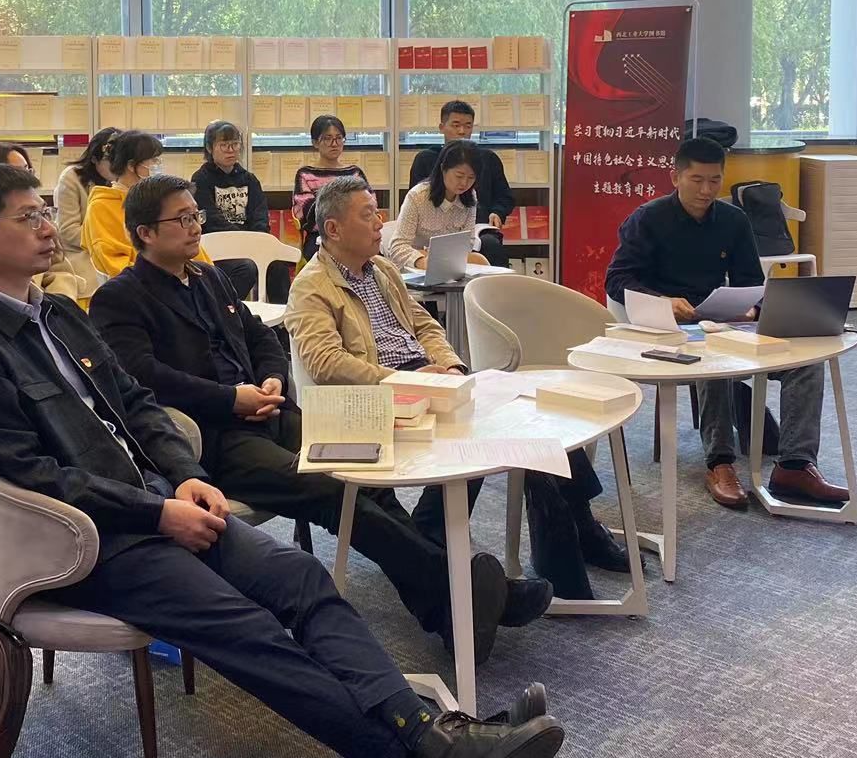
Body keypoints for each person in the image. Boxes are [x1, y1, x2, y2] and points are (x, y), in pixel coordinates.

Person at [0, 163, 564, 758]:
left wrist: (184, 475)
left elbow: (137, 405)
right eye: (29, 217)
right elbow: (39, 479)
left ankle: (435, 739)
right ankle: (433, 748)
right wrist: (157, 512)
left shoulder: (61, 314)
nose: (48, 227)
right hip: (91, 541)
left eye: (45, 212)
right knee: (249, 626)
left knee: (302, 577)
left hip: (161, 499)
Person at [90, 174, 551, 664]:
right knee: (333, 490)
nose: (194, 226)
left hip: (270, 411)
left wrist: (273, 379)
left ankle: (452, 605)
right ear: (145, 233)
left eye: (195, 215)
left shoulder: (209, 277)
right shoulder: (121, 298)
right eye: (181, 219)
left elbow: (261, 336)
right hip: (214, 437)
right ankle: (462, 597)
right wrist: (230, 399)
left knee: (368, 472)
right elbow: (144, 379)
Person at [287, 177, 628, 600]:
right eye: (368, 214)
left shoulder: (383, 270)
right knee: (489, 433)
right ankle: (555, 547)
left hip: (427, 378)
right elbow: (325, 362)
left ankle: (575, 528)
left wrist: (450, 366)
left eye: (377, 212)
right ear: (333, 229)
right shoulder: (311, 286)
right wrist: (409, 380)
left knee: (534, 418)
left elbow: (425, 325)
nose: (380, 223)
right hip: (381, 395)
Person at [604, 135, 847, 510]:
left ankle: (795, 465)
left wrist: (752, 308)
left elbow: (752, 281)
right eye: (696, 180)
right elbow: (617, 280)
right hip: (667, 328)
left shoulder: (733, 220)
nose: (706, 190)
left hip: (722, 321)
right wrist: (663, 301)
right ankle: (720, 463)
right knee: (711, 357)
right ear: (675, 177)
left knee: (807, 362)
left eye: (714, 180)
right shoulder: (648, 219)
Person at [85, 130, 256, 295]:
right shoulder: (102, 206)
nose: (157, 165)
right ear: (131, 165)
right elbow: (114, 263)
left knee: (236, 274)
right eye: (153, 160)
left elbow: (193, 252)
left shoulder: (156, 197)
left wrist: (205, 280)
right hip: (147, 288)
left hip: (182, 276)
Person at [0, 142, 94, 306]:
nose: (49, 230)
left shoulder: (40, 220)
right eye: (15, 172)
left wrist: (53, 306)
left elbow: (61, 271)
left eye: (28, 170)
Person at [407, 102, 514, 268]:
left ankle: (494, 283)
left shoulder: (488, 159)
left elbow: (504, 196)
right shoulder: (426, 159)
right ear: (442, 127)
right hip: (433, 229)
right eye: (456, 125)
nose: (462, 131)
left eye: (468, 126)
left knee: (490, 245)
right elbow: (416, 203)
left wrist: (497, 212)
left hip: (478, 226)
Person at [191, 119, 286, 301]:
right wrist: (241, 239)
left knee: (277, 267)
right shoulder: (201, 179)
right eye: (224, 145)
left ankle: (282, 317)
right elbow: (211, 219)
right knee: (246, 268)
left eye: (235, 144)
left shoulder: (249, 179)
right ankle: (227, 311)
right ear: (210, 148)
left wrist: (255, 238)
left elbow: (260, 216)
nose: (231, 150)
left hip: (251, 243)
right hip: (219, 245)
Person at [385, 140, 485, 272]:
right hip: (416, 268)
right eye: (459, 176)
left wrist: (444, 258)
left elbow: (467, 242)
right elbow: (397, 247)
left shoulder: (470, 196)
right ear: (443, 169)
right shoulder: (418, 196)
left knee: (481, 261)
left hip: (450, 266)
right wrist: (423, 261)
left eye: (471, 178)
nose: (464, 183)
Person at [292, 114, 368, 261]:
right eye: (327, 138)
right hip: (320, 236)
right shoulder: (305, 174)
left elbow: (369, 206)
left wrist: (329, 204)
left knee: (377, 258)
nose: (334, 144)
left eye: (339, 138)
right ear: (315, 142)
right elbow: (309, 214)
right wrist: (347, 206)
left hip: (355, 233)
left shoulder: (354, 173)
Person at [56, 125, 118, 282]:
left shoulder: (125, 178)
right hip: (82, 253)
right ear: (94, 159)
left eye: (120, 161)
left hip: (117, 249)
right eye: (110, 161)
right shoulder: (71, 178)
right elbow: (68, 231)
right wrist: (104, 239)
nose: (116, 167)